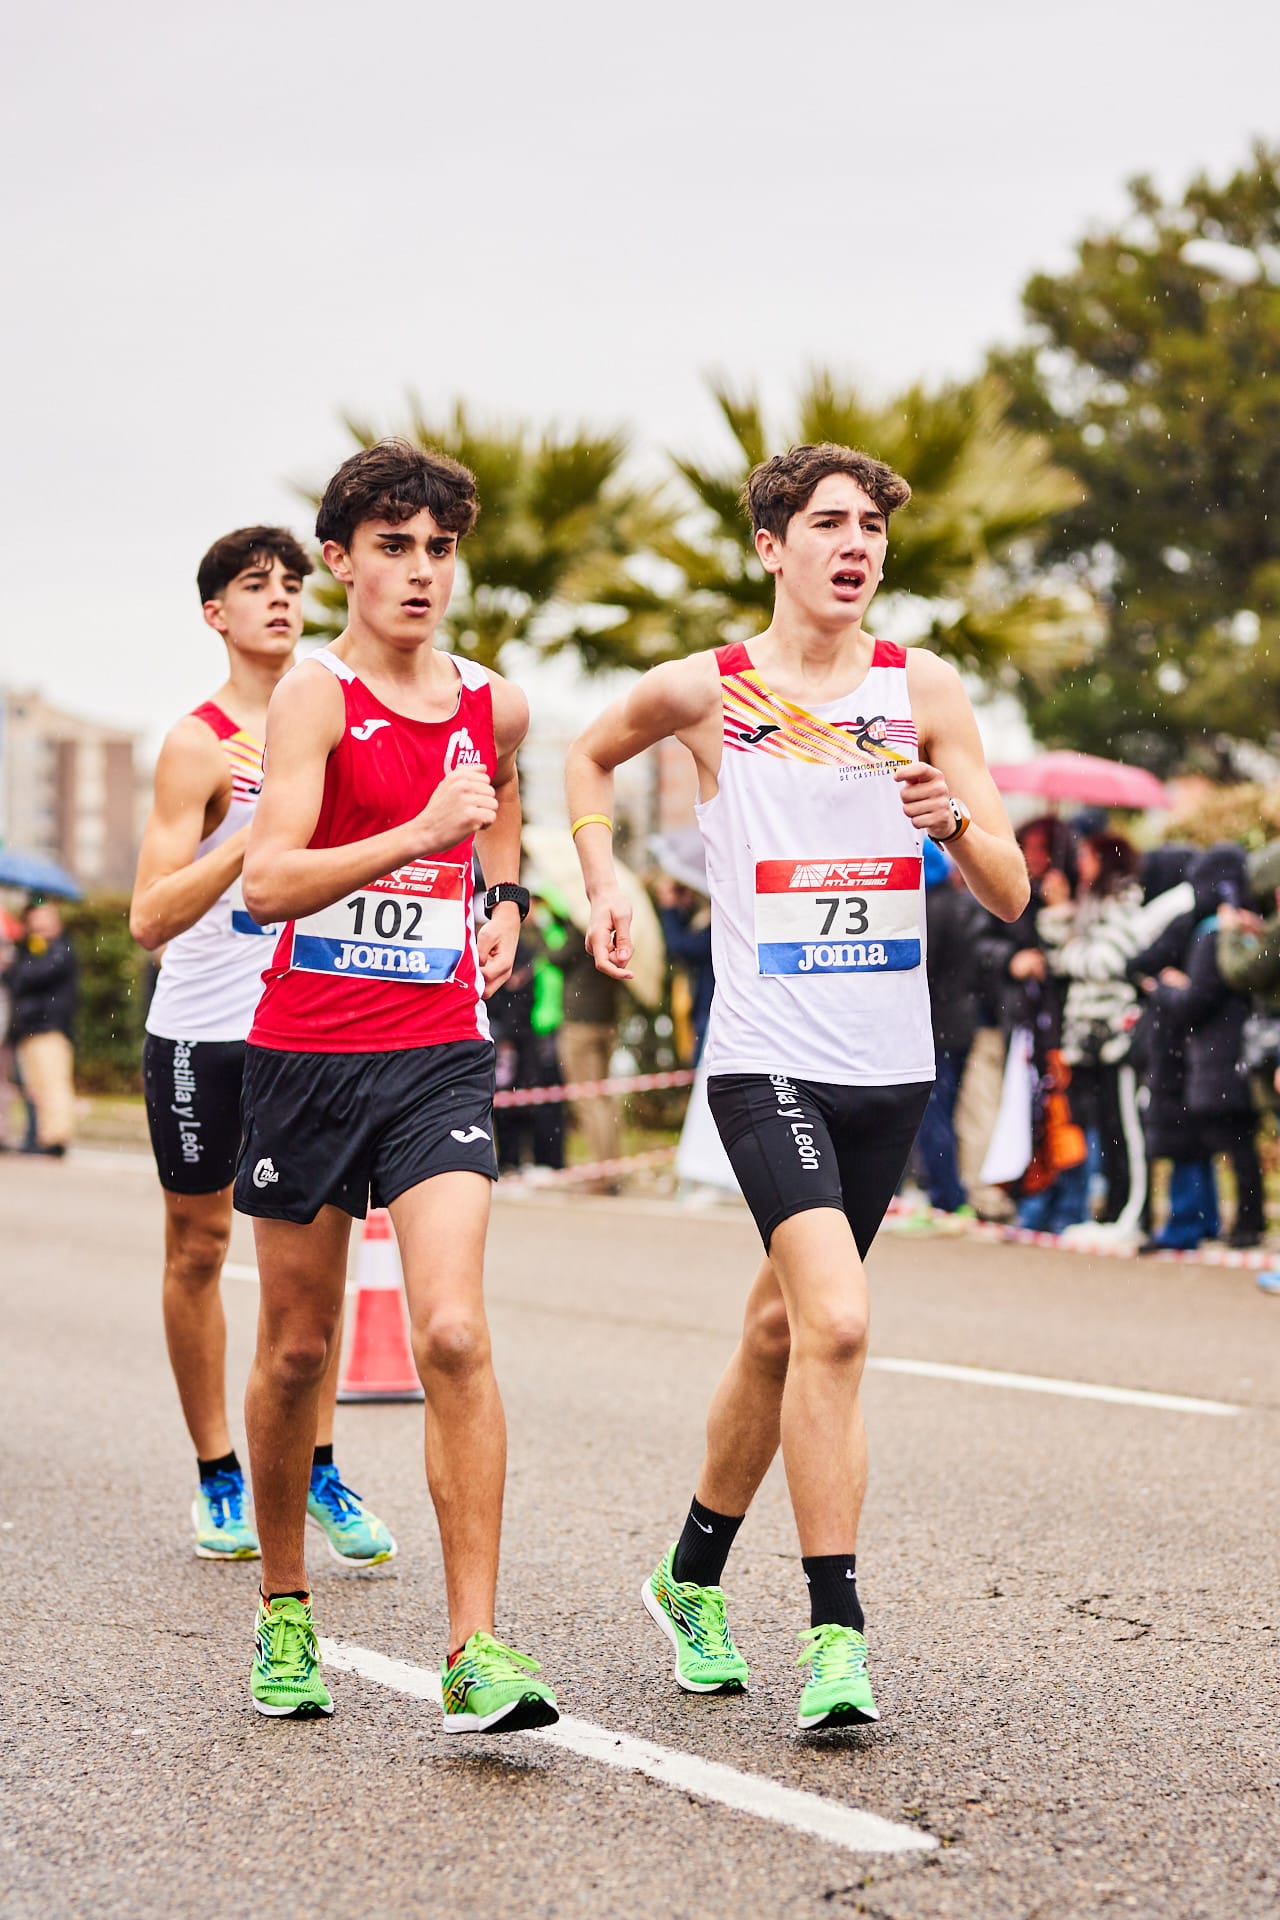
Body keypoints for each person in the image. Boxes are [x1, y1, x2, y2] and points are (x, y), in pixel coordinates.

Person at [566, 442, 1027, 1731]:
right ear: (770, 547)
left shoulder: (920, 688)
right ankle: (837, 1636)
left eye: (869, 525)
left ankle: (687, 1578)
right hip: (765, 1057)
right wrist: (603, 880)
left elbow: (1007, 891)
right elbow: (587, 757)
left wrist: (950, 824)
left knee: (779, 1331)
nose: (855, 544)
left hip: (888, 1069)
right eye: (828, 522)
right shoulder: (709, 689)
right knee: (835, 1322)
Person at [234, 439, 559, 1729]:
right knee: (297, 1348)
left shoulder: (492, 702)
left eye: (438, 548)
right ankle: (285, 1607)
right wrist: (419, 835)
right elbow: (268, 881)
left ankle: (475, 1647)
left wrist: (508, 895)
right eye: (392, 548)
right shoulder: (313, 699)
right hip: (307, 1056)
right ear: (339, 561)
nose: (421, 571)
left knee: (454, 1334)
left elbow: (504, 795)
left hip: (436, 1056)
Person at [130, 526, 395, 1569]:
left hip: (315, 1029)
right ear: (217, 614)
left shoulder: (337, 716)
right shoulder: (198, 744)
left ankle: (317, 1465)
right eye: (255, 585)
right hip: (204, 1032)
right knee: (199, 1248)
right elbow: (149, 916)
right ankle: (218, 1473)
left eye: (292, 582)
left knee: (315, 1262)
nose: (281, 598)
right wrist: (255, 836)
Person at [4, 901, 79, 1155]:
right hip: (30, 1027)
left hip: (49, 1027)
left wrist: (18, 962)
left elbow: (29, 976)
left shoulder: (60, 950)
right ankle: (40, 1136)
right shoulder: (33, 948)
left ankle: (56, 1138)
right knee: (35, 1088)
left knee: (53, 1084)